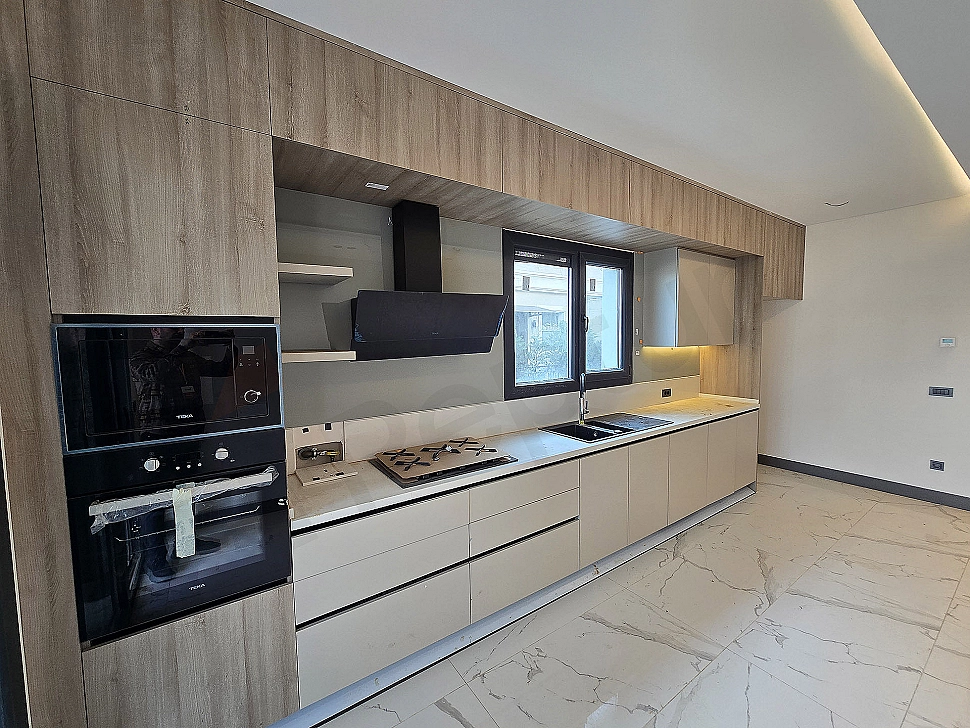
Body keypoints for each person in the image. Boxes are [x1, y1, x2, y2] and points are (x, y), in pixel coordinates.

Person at [129, 328, 230, 582]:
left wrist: (232, 343)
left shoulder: (188, 356)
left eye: (171, 327)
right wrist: (184, 344)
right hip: (157, 435)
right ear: (152, 331)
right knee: (156, 499)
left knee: (188, 490)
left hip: (189, 432)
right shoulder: (140, 358)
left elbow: (221, 370)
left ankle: (187, 542)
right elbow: (155, 374)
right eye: (160, 326)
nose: (165, 330)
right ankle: (155, 560)